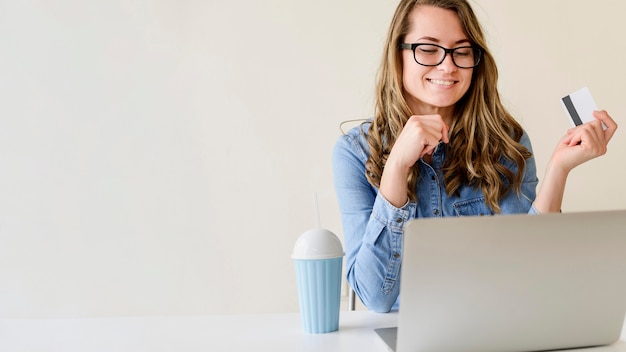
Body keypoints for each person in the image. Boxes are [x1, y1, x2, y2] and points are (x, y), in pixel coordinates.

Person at [331, 0, 618, 313]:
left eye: (462, 50)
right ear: (397, 54)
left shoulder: (507, 142)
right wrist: (397, 166)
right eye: (428, 48)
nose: (448, 65)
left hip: (494, 323)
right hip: (402, 330)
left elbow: (529, 273)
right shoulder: (354, 152)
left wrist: (559, 169)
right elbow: (375, 297)